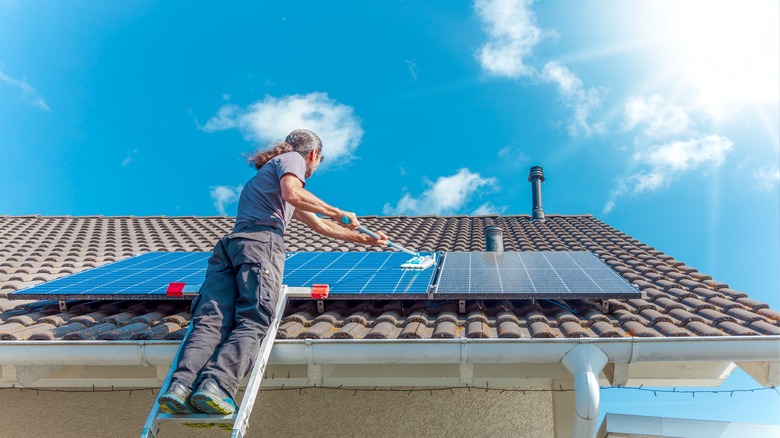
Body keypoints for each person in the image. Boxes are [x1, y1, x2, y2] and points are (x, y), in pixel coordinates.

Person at [158, 129, 387, 415]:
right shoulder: (292, 160)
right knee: (254, 317)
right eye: (318, 161)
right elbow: (294, 192)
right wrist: (338, 211)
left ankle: (180, 387)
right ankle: (215, 385)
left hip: (230, 247)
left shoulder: (267, 176)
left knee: (211, 321)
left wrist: (366, 239)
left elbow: (318, 225)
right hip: (260, 244)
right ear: (313, 154)